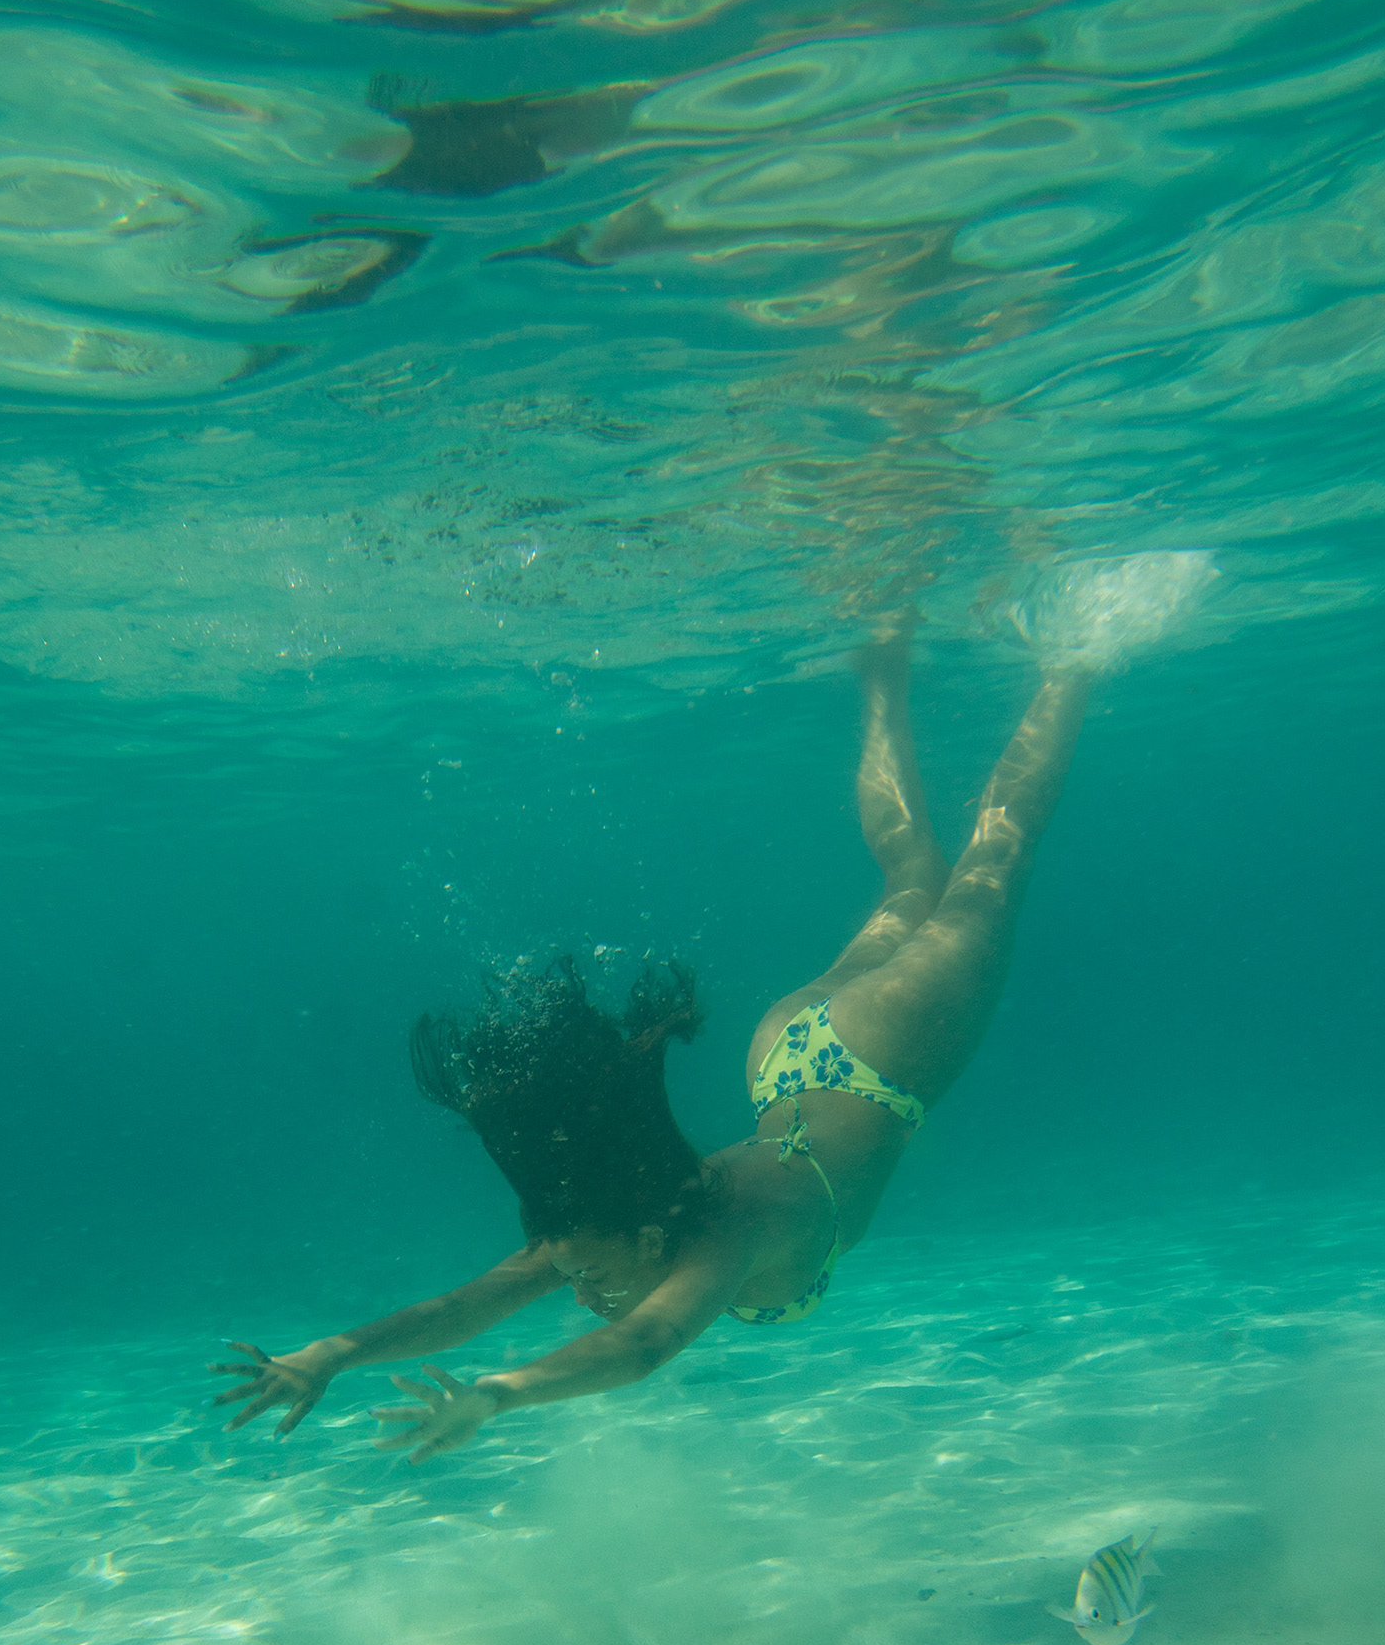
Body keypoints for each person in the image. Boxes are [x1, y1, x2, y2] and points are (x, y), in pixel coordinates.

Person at [213, 617, 1091, 1461]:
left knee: (994, 862)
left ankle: (1075, 656)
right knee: (916, 877)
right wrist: (331, 1353)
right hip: (788, 1055)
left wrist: (496, 1396)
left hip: (880, 1057)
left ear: (644, 1243)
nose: (580, 1293)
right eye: (578, 1279)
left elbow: (645, 1344)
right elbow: (466, 1305)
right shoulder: (616, 1216)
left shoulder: (726, 1238)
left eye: (591, 1279)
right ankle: (883, 671)